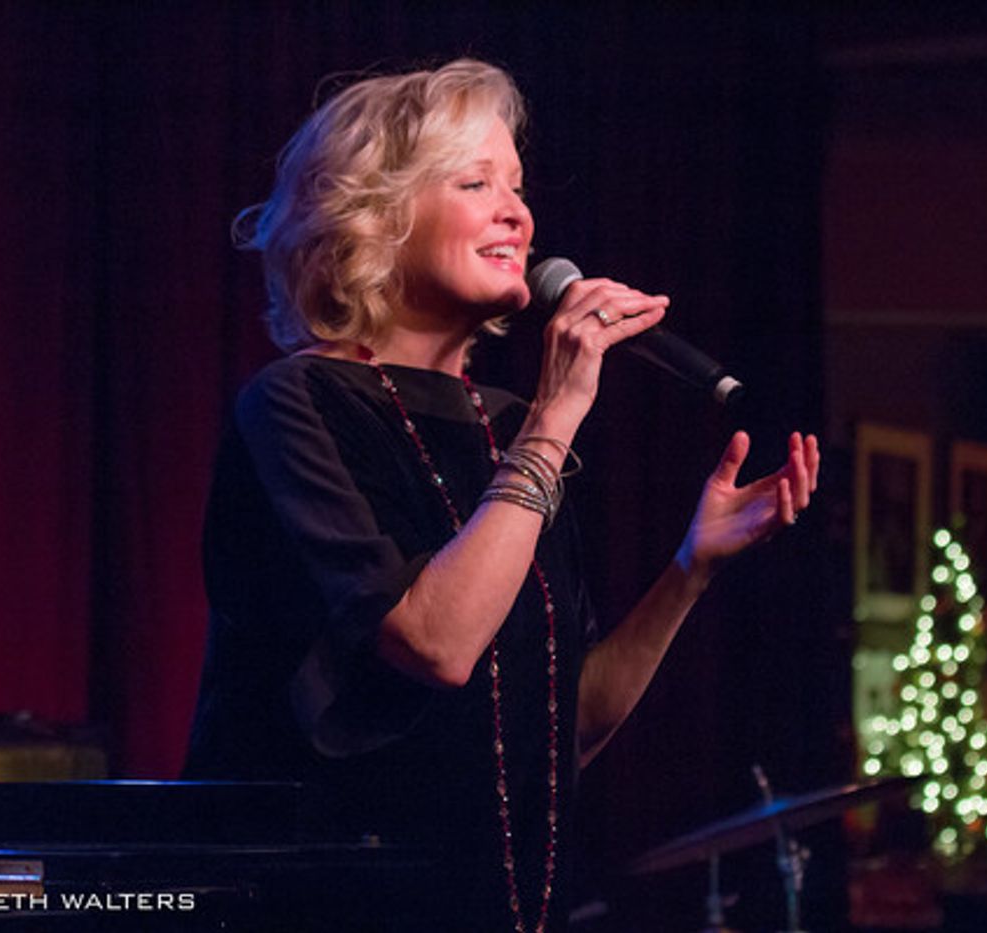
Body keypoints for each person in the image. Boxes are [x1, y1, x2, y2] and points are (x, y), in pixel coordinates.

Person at [182, 58, 819, 930]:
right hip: (327, 902)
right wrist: (556, 421)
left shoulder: (507, 426)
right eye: (475, 181)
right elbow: (435, 645)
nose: (517, 212)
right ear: (375, 218)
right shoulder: (298, 403)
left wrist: (689, 570)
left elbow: (569, 724)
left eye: (516, 186)